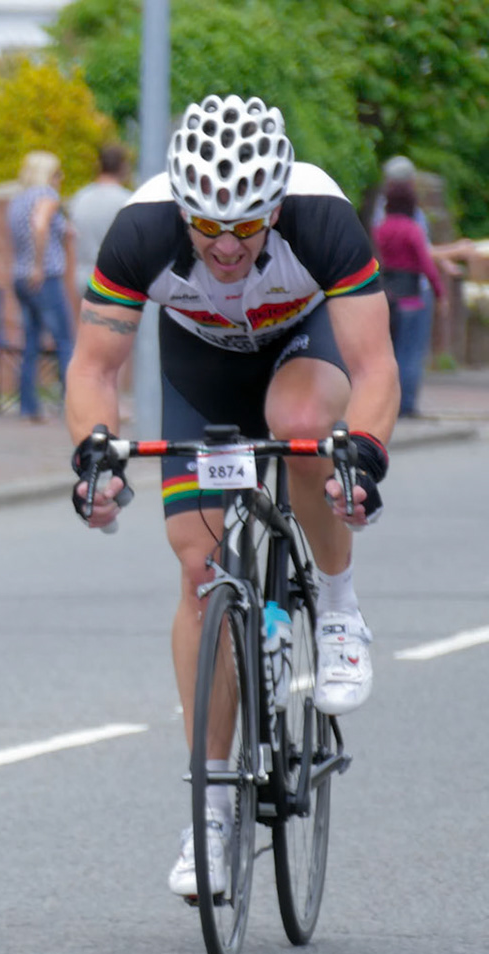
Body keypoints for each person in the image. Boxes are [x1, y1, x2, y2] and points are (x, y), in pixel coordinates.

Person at [67, 94, 393, 898]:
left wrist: (367, 461)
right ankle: (211, 807)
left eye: (245, 227)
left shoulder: (321, 218)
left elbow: (377, 364)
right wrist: (94, 461)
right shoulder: (143, 229)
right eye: (206, 225)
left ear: (275, 207)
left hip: (302, 350)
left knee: (300, 422)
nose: (222, 245)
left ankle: (341, 604)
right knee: (198, 572)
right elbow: (94, 369)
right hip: (204, 370)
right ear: (181, 205)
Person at [8, 150, 74, 422]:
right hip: (43, 276)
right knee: (65, 341)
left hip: (20, 277)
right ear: (48, 175)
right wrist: (38, 265)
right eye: (57, 173)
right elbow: (40, 224)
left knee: (32, 342)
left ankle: (28, 406)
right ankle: (74, 405)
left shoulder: (17, 201)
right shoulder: (46, 196)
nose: (60, 178)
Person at [374, 178, 445, 419]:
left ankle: (389, 403)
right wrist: (439, 291)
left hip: (389, 293)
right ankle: (407, 404)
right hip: (412, 295)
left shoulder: (382, 228)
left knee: (391, 350)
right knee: (411, 350)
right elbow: (426, 263)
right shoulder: (412, 229)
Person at [69, 144, 132, 299]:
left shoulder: (79, 198)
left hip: (83, 275)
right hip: (115, 277)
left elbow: (70, 239)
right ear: (122, 166)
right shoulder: (127, 200)